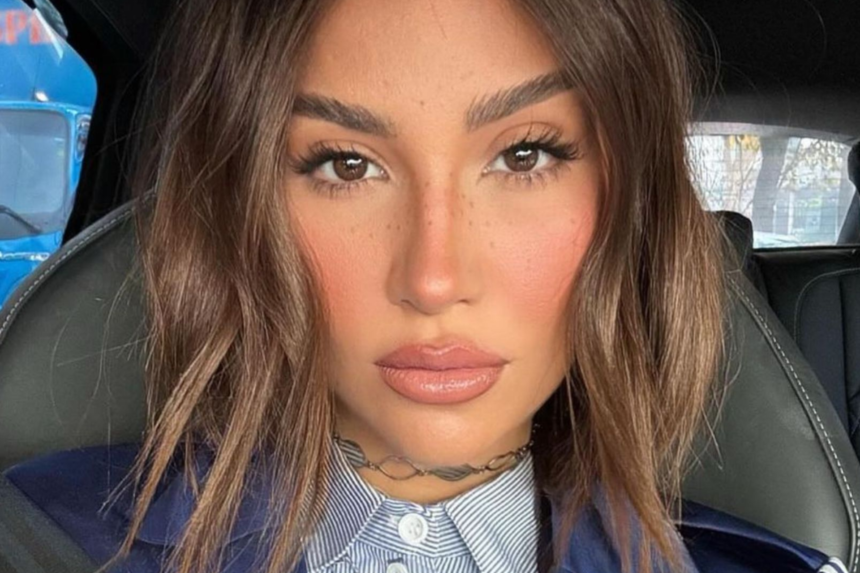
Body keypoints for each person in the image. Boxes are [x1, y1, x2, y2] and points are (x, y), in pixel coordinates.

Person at [2, 0, 849, 572]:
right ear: (243, 218)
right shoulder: (36, 537)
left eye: (525, 155)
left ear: (629, 210)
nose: (434, 279)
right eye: (345, 164)